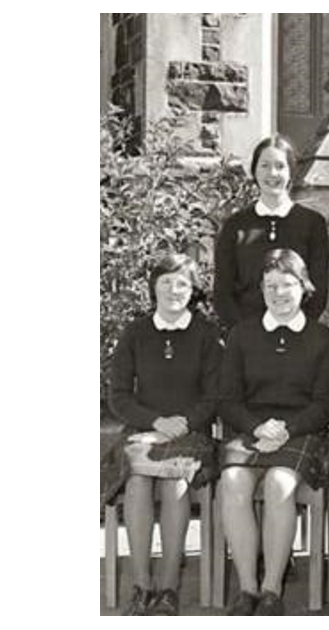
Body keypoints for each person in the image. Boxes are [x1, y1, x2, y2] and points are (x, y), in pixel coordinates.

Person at [217, 249, 329, 615]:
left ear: (304, 287)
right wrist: (256, 426)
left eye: (286, 285)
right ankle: (247, 589)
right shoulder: (242, 334)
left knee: (279, 484)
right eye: (270, 286)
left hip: (301, 432)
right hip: (252, 429)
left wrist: (289, 428)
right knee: (233, 481)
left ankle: (271, 590)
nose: (278, 293)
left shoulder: (322, 337)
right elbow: (227, 398)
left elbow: (326, 403)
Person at [107, 253, 222, 615]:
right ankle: (141, 586)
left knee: (174, 483)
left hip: (192, 433)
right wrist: (155, 423)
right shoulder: (135, 332)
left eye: (183, 283)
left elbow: (215, 394)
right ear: (153, 287)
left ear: (193, 290)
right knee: (139, 481)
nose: (174, 290)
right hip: (144, 432)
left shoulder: (207, 334)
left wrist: (183, 423)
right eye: (167, 282)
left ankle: (169, 587)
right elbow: (119, 396)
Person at [214, 135, 329, 330]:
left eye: (280, 166)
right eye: (265, 165)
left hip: (298, 336)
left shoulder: (312, 223)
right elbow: (223, 292)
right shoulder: (235, 225)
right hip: (246, 338)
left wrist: (298, 328)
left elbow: (318, 288)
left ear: (291, 172)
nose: (272, 173)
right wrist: (244, 335)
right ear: (254, 171)